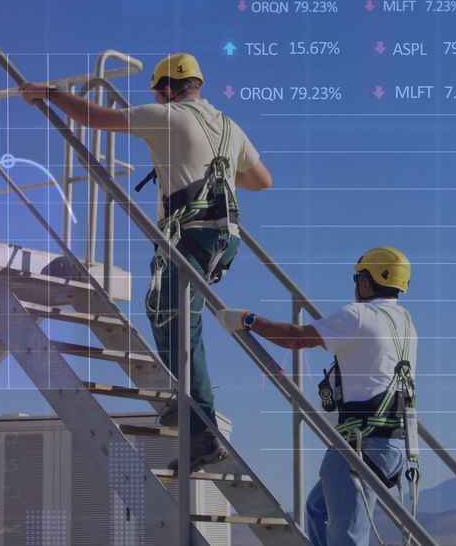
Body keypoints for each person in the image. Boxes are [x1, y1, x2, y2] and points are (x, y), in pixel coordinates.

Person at [20, 53, 273, 471]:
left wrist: (50, 94)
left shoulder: (168, 116)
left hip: (191, 234)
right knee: (170, 315)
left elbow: (97, 118)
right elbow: (262, 180)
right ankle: (187, 403)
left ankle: (200, 426)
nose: (156, 96)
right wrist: (223, 173)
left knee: (173, 319)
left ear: (168, 89)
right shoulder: (229, 127)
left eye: (157, 91)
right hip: (224, 238)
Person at [217, 246, 418, 546]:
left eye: (357, 279)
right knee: (316, 509)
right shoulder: (406, 323)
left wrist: (248, 321)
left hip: (360, 444)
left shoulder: (358, 315)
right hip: (396, 445)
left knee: (347, 538)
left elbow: (297, 337)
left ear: (365, 282)